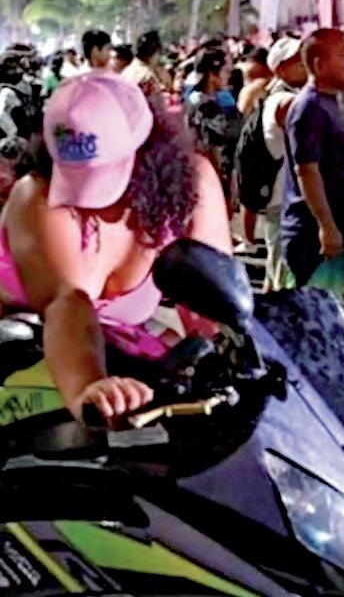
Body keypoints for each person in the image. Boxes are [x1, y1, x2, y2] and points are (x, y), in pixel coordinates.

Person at [0, 71, 231, 423]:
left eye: (106, 171)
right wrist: (90, 386)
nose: (92, 199)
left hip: (121, 352)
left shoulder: (190, 188)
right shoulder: (38, 197)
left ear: (147, 146)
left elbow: (213, 304)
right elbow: (67, 302)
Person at [280, 28, 344, 298]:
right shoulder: (309, 108)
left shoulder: (330, 102)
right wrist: (327, 227)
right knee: (311, 314)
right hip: (311, 238)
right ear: (319, 65)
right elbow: (307, 171)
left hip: (334, 232)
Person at [240, 37, 307, 291]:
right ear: (281, 68)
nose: (305, 64)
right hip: (284, 199)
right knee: (284, 277)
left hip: (281, 198)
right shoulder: (286, 102)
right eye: (298, 61)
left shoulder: (277, 96)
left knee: (275, 269)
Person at [185, 48, 238, 206]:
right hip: (210, 182)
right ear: (212, 74)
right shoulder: (208, 106)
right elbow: (212, 150)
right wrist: (222, 186)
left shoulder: (191, 99)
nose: (228, 76)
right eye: (225, 71)